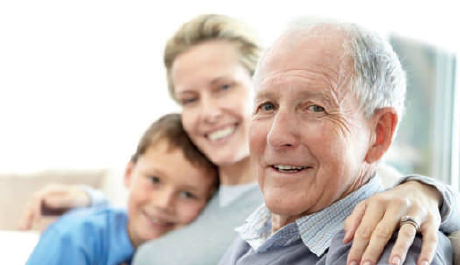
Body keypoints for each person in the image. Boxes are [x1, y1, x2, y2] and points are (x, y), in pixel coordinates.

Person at [18, 14, 460, 265]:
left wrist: (427, 193)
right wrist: (92, 200)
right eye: (189, 98)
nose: (207, 111)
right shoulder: (198, 185)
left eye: (223, 88)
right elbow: (139, 211)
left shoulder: (321, 193)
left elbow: (390, 191)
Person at [218, 18, 454, 265]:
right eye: (267, 106)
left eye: (315, 108)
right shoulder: (264, 225)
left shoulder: (392, 253)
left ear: (379, 134)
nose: (276, 137)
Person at [25, 113, 218, 265]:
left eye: (187, 194)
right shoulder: (73, 239)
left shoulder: (193, 252)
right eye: (154, 180)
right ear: (128, 174)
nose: (163, 203)